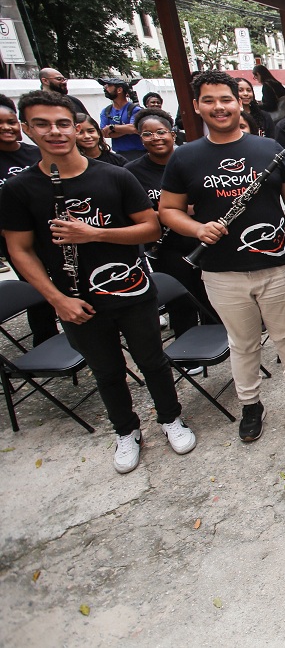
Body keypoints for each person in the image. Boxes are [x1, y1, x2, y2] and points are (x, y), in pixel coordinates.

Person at [1, 90, 195, 473]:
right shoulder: (18, 189)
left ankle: (171, 418)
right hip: (74, 298)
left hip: (133, 289)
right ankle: (126, 431)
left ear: (76, 127)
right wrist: (56, 299)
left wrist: (93, 235)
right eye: (41, 124)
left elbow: (149, 228)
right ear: (27, 129)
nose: (54, 132)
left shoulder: (115, 175)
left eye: (62, 123)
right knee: (106, 370)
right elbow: (20, 251)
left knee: (153, 361)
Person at [159, 70, 285, 443]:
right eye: (208, 101)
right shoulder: (185, 157)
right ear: (196, 107)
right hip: (221, 271)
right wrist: (196, 229)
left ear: (239, 101)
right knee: (242, 341)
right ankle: (250, 404)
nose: (219, 107)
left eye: (225, 99)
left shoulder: (269, 150)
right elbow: (168, 211)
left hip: (276, 263)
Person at [125, 108, 218, 338]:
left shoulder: (192, 160)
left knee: (209, 292)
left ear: (173, 134)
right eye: (147, 134)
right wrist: (174, 210)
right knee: (180, 299)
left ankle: (215, 337)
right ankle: (187, 341)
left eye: (160, 132)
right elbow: (136, 213)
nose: (155, 138)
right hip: (166, 246)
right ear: (140, 138)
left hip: (203, 240)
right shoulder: (131, 172)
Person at [0, 94, 57, 346]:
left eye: (10, 122)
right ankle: (46, 340)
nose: (6, 128)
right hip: (17, 236)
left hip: (55, 234)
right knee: (37, 288)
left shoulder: (38, 153)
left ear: (21, 125)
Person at [98, 78, 144, 161]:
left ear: (119, 90)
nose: (105, 88)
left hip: (140, 154)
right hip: (120, 155)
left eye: (108, 86)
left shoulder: (135, 109)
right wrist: (127, 129)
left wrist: (112, 128)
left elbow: (134, 128)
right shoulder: (106, 111)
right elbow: (104, 133)